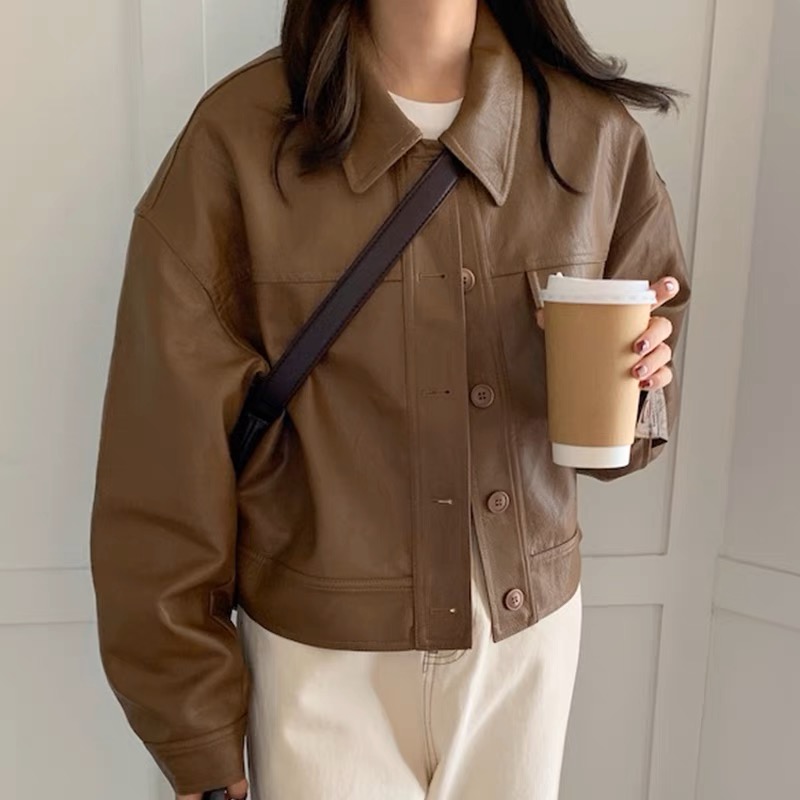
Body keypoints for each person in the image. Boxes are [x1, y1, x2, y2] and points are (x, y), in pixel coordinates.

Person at [89, 1, 692, 798]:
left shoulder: (594, 137)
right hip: (317, 664)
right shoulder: (236, 141)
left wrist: (639, 385)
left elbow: (630, 427)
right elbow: (161, 463)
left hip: (523, 656)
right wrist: (192, 726)